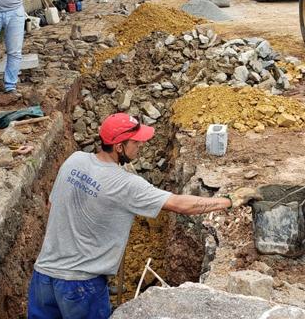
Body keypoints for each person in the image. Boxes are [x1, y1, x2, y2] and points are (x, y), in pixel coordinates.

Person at [28, 113, 261, 318]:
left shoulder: (74, 160)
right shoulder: (127, 184)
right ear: (119, 146)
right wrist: (229, 200)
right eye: (135, 142)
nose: (140, 146)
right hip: (81, 286)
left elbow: (52, 206)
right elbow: (179, 204)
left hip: (43, 278)